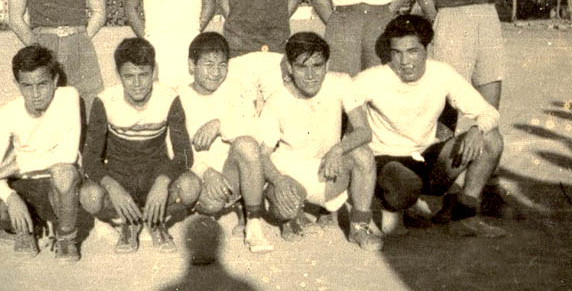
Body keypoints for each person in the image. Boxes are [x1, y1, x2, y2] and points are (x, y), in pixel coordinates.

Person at [353, 15, 506, 237]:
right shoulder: (373, 78)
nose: (404, 61)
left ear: (426, 49)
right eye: (397, 53)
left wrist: (477, 129)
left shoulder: (441, 73)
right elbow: (339, 101)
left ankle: (463, 215)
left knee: (491, 139)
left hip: (427, 159)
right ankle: (400, 207)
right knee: (404, 186)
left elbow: (489, 112)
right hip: (387, 161)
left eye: (412, 51)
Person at [257, 32, 382, 250]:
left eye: (317, 66)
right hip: (292, 173)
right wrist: (278, 181)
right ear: (289, 68)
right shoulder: (276, 101)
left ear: (327, 65)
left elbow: (364, 132)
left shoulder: (341, 82)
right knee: (285, 205)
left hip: (328, 168)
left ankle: (359, 226)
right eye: (301, 67)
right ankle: (292, 215)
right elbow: (263, 155)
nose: (310, 75)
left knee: (363, 154)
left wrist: (337, 150)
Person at [80, 38, 201, 254]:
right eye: (129, 76)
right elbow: (90, 159)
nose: (137, 84)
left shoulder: (168, 98)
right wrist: (112, 187)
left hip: (154, 173)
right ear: (118, 75)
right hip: (119, 174)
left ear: (154, 72)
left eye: (143, 75)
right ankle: (129, 222)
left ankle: (156, 220)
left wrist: (163, 181)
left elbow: (184, 153)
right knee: (89, 196)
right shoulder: (105, 100)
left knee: (191, 186)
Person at [0, 45, 82, 264]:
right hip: (24, 186)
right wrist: (10, 197)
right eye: (27, 86)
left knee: (64, 172)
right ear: (17, 84)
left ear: (55, 80)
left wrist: (16, 165)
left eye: (42, 84)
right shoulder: (8, 113)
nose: (35, 94)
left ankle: (66, 237)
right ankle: (26, 229)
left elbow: (68, 155)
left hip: (57, 185)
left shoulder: (68, 97)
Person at [180, 32, 276, 253]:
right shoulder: (180, 97)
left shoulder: (234, 88)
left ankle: (253, 224)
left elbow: (255, 133)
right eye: (209, 65)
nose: (216, 72)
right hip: (203, 178)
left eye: (222, 65)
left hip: (233, 176)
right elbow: (176, 150)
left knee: (247, 145)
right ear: (192, 65)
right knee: (212, 204)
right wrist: (205, 172)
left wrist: (220, 125)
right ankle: (204, 211)